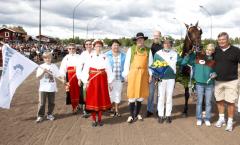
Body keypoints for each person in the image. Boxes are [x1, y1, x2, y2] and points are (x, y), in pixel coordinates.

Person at [80, 40, 114, 127]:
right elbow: (85, 70)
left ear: (101, 47)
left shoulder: (105, 57)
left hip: (102, 80)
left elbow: (109, 70)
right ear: (94, 47)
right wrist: (85, 81)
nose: (98, 48)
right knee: (93, 100)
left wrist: (110, 82)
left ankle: (99, 119)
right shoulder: (90, 57)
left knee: (100, 100)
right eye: (96, 46)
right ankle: (94, 120)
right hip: (93, 80)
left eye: (100, 46)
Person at [182, 44, 216, 126]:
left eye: (211, 50)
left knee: (208, 102)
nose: (209, 51)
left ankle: (207, 118)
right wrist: (189, 54)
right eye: (207, 49)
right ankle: (199, 118)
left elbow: (216, 71)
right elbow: (183, 62)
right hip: (199, 84)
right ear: (205, 49)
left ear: (213, 51)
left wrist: (215, 74)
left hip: (209, 84)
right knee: (199, 102)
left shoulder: (214, 60)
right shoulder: (198, 58)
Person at [122, 32, 153, 123]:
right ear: (136, 41)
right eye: (138, 39)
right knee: (132, 94)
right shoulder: (131, 49)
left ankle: (137, 113)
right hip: (133, 74)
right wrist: (126, 75)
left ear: (144, 40)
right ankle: (131, 115)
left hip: (143, 74)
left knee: (140, 95)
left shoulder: (148, 50)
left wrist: (150, 75)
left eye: (141, 39)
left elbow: (150, 64)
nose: (140, 41)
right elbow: (127, 63)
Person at [213, 32, 240, 132]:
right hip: (218, 81)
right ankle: (221, 119)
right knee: (219, 100)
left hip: (232, 81)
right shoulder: (215, 50)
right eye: (219, 40)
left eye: (223, 39)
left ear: (228, 40)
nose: (221, 42)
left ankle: (229, 122)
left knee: (230, 102)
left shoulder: (236, 50)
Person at [154, 36, 181, 124]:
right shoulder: (157, 54)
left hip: (171, 78)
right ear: (162, 44)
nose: (167, 44)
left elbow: (182, 62)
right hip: (161, 79)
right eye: (165, 42)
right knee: (161, 97)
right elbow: (155, 66)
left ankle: (168, 115)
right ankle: (161, 115)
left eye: (169, 42)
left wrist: (189, 55)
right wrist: (156, 76)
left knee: (169, 97)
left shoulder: (175, 53)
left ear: (171, 44)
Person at [36, 52, 61, 123]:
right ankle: (40, 116)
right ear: (43, 59)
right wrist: (43, 72)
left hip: (52, 87)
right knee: (42, 103)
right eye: (46, 58)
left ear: (51, 58)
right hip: (43, 88)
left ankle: (49, 114)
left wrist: (63, 80)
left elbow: (58, 75)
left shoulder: (54, 66)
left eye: (49, 57)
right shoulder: (41, 66)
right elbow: (38, 77)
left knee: (52, 102)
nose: (48, 59)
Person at [105, 39, 126, 117]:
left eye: (117, 45)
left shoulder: (124, 55)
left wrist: (125, 76)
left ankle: (116, 110)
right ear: (111, 46)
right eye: (114, 45)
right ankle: (112, 108)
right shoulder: (106, 55)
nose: (116, 46)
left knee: (117, 94)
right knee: (110, 94)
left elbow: (126, 66)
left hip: (119, 78)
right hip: (110, 79)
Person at [60, 43, 82, 113]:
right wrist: (63, 78)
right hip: (70, 76)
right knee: (71, 92)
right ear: (67, 49)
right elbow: (62, 69)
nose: (71, 50)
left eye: (73, 48)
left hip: (78, 76)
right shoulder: (66, 58)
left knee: (79, 91)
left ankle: (78, 104)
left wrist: (80, 78)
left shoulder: (79, 56)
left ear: (75, 49)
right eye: (70, 49)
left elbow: (82, 67)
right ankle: (74, 107)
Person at [146, 30, 163, 117]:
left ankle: (159, 110)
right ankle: (149, 109)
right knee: (151, 92)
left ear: (160, 36)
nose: (156, 37)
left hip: (161, 73)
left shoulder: (163, 46)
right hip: (152, 73)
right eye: (154, 35)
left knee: (160, 93)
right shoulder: (149, 47)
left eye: (157, 35)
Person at [76, 40, 95, 118]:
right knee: (84, 93)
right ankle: (85, 109)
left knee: (93, 92)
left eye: (90, 44)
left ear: (92, 45)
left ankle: (92, 108)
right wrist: (79, 78)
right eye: (86, 44)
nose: (88, 45)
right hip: (84, 76)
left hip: (93, 76)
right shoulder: (83, 54)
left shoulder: (95, 53)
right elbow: (79, 67)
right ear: (85, 45)